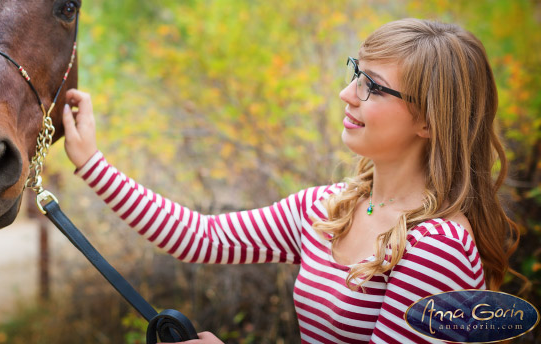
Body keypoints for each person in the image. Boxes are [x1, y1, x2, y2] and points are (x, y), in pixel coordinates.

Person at [61, 18, 518, 343]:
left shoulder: (436, 248)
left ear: (429, 121)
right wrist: (91, 162)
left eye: (373, 87)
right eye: (356, 74)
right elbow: (203, 238)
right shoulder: (329, 208)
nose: (347, 93)